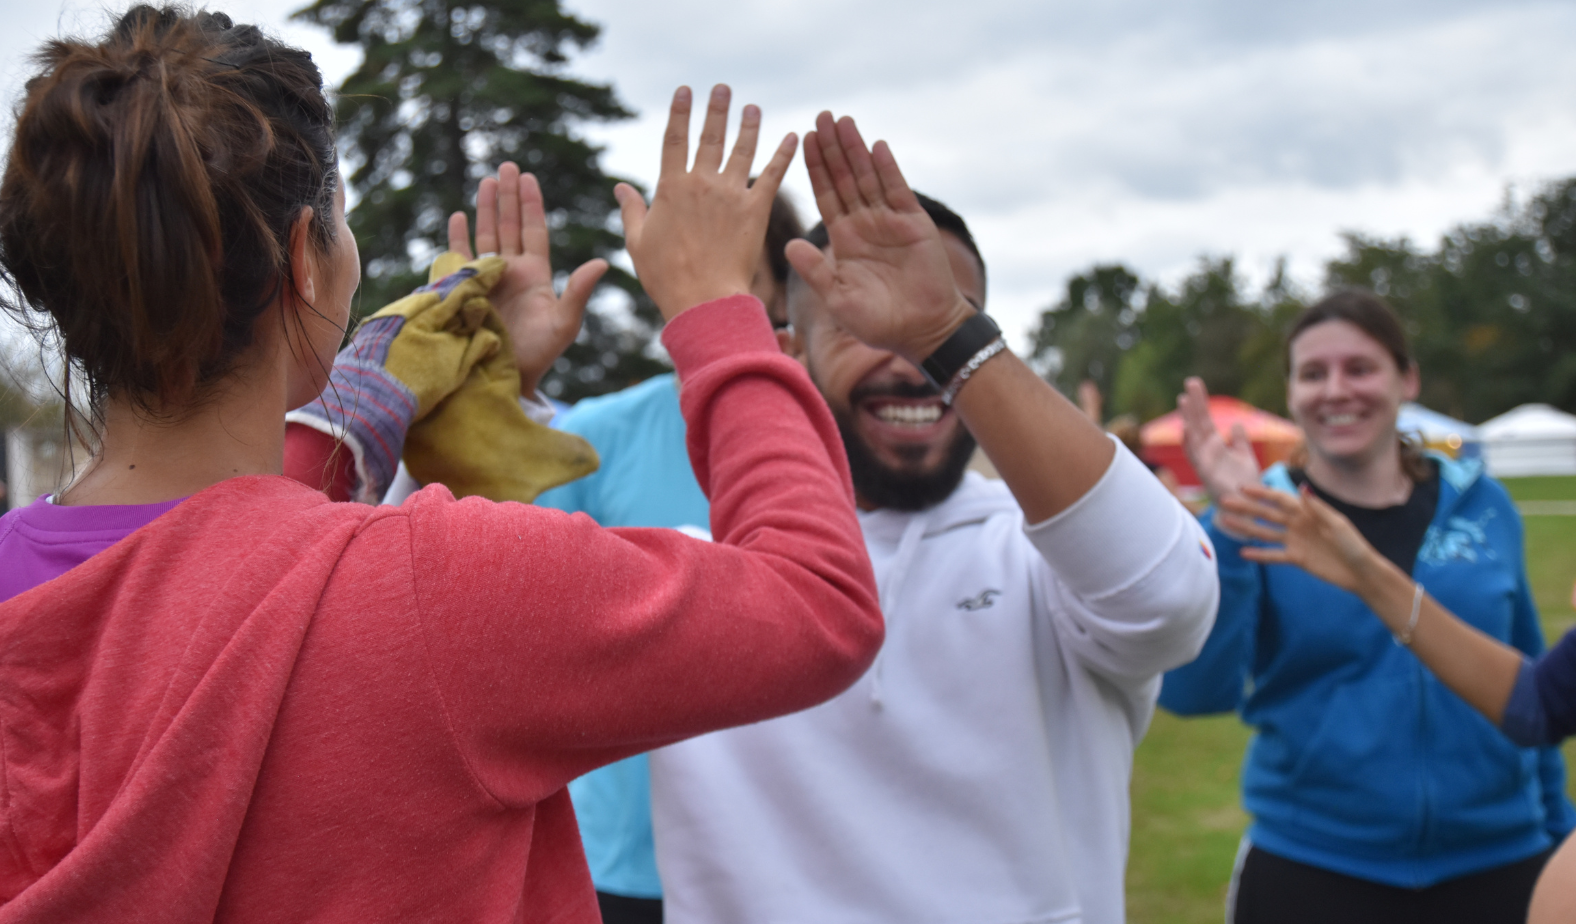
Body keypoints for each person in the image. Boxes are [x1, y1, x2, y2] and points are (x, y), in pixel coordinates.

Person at [0, 8, 885, 922]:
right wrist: (719, 308)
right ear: (306, 261)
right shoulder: (434, 590)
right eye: (342, 226)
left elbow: (205, 578)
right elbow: (817, 601)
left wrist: (422, 407)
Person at [648, 112, 1220, 924]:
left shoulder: (1042, 563)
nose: (911, 356)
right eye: (855, 321)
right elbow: (445, 647)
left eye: (947, 318)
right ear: (791, 354)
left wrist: (948, 335)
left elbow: (1171, 601)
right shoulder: (695, 576)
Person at [1159, 289, 1575, 924]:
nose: (1336, 390)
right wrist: (1237, 526)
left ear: (1406, 378)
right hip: (1316, 863)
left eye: (1360, 367)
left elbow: (1532, 687)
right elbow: (1194, 693)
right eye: (1313, 373)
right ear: (1291, 394)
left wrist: (1556, 836)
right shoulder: (1260, 514)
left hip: (1502, 858)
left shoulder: (1484, 505)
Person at [532, 192, 803, 924]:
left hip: (786, 860)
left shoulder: (825, 441)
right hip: (619, 861)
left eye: (737, 284)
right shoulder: (594, 436)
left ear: (784, 298)